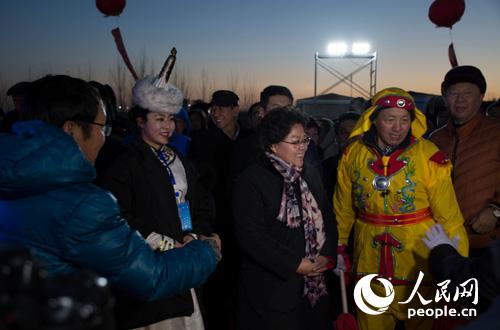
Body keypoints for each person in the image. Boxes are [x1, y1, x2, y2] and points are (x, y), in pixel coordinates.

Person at [0, 74, 219, 327]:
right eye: (101, 128)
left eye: (171, 118)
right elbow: (151, 277)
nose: (105, 138)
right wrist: (207, 249)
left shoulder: (14, 180)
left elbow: (198, 201)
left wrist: (194, 232)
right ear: (71, 129)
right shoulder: (90, 199)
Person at [333, 87, 469, 330]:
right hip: (369, 260)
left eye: (404, 120)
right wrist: (338, 247)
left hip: (421, 263)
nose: (398, 128)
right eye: (390, 119)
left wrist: (459, 268)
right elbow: (343, 208)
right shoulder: (351, 155)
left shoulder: (430, 157)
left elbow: (450, 217)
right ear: (374, 119)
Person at [100, 68, 219, 329]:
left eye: (171, 119)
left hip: (184, 262)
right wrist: (164, 243)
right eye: (159, 119)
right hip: (148, 268)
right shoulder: (125, 163)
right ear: (141, 121)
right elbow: (117, 215)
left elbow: (192, 202)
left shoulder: (179, 160)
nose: (168, 126)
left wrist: (193, 232)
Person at [232, 107, 337, 330]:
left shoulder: (309, 174)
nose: (303, 148)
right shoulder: (252, 180)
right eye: (295, 142)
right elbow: (251, 237)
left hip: (314, 287)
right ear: (272, 144)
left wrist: (326, 254)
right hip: (271, 291)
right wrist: (295, 264)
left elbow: (328, 217)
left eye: (305, 140)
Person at [189, 90, 252, 329]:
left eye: (224, 108)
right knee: (217, 283)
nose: (217, 113)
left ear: (236, 110)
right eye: (214, 108)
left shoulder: (249, 139)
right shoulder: (201, 141)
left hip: (245, 220)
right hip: (216, 221)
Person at [430, 66, 500, 253]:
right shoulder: (434, 140)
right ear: (445, 98)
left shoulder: (496, 133)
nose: (460, 99)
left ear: (481, 96)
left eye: (468, 93)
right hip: (442, 244)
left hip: (486, 244)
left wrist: (496, 210)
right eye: (453, 93)